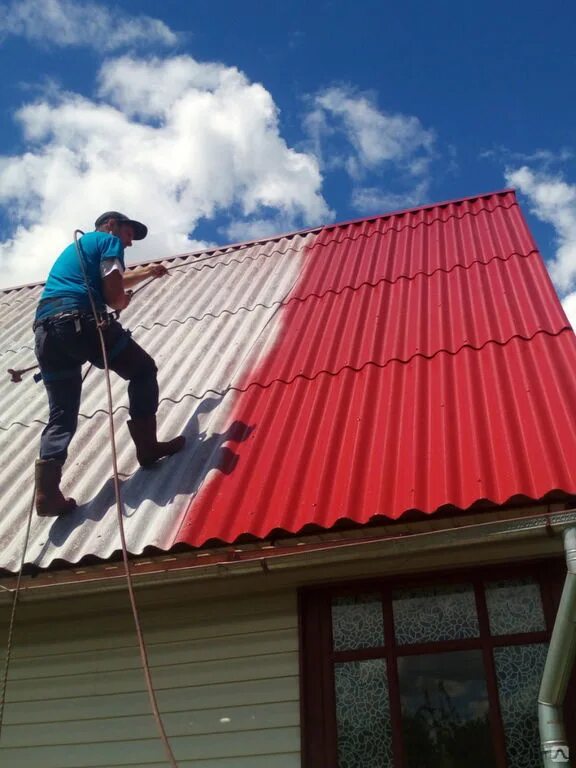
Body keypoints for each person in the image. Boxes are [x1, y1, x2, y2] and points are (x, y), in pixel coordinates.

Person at [33, 211, 186, 517]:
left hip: (46, 331)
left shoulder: (80, 250)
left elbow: (110, 278)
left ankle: (47, 494)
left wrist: (147, 273)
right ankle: (147, 447)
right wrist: (120, 302)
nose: (128, 243)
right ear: (112, 226)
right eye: (128, 235)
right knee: (142, 370)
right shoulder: (107, 241)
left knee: (62, 414)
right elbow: (113, 292)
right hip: (79, 322)